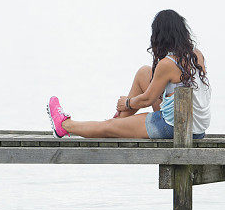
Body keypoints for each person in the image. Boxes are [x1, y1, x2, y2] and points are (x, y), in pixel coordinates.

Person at [47, 9, 211, 139]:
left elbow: (148, 99)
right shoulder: (196, 54)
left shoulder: (167, 64)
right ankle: (119, 124)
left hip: (174, 129)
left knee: (108, 128)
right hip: (197, 130)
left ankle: (64, 125)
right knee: (144, 73)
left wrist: (127, 103)